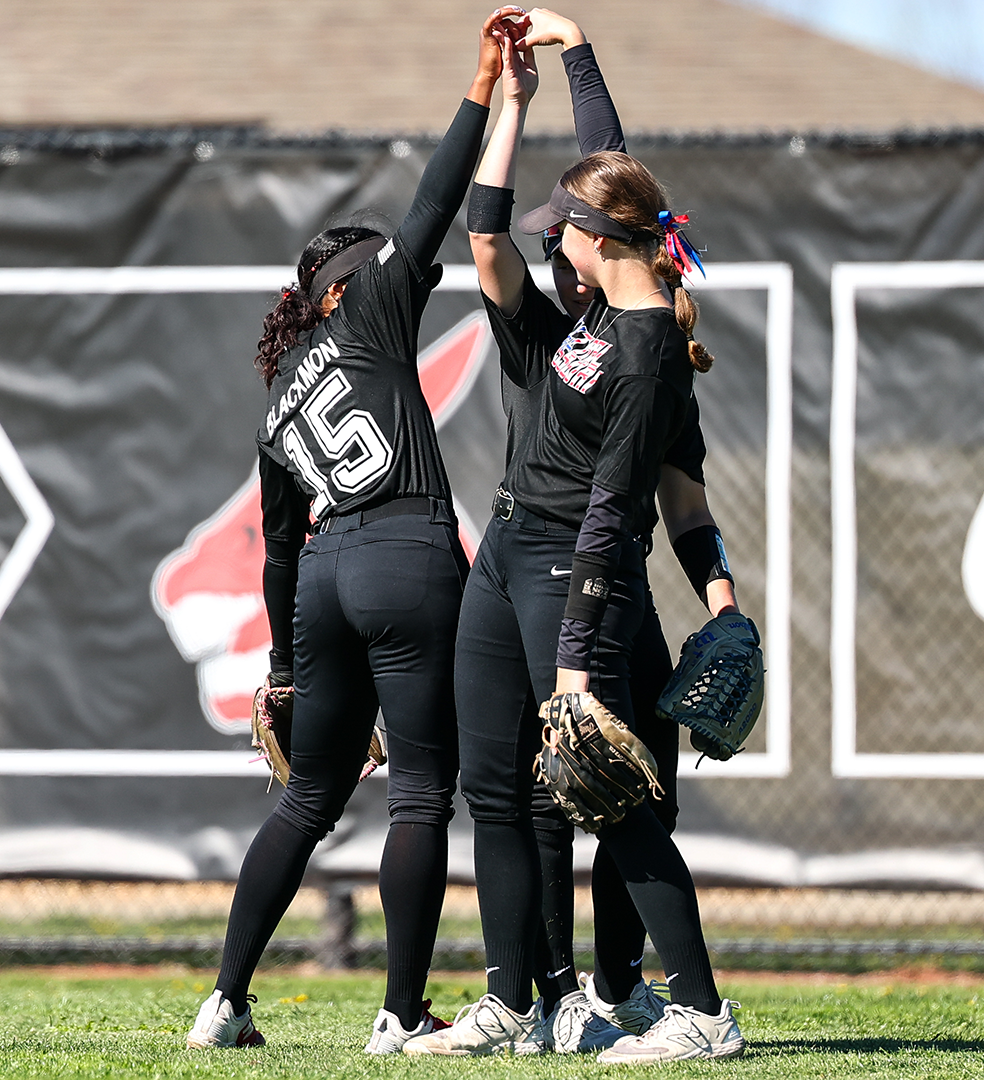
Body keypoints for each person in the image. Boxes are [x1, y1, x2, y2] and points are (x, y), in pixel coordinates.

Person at [185, 7, 523, 1055]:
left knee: (309, 800)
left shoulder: (279, 400)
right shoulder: (371, 307)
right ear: (345, 288)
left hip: (326, 579)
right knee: (423, 789)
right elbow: (435, 205)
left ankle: (225, 1001)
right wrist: (484, 89)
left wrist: (283, 667)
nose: (398, 271)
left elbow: (280, 548)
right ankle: (396, 1013)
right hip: (410, 551)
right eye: (378, 266)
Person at [404, 47, 744, 1061]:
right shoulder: (581, 323)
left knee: (607, 789)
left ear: (601, 243)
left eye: (574, 235)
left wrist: (577, 657)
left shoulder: (645, 354)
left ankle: (700, 1012)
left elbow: (618, 512)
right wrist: (545, 78)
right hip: (504, 554)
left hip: (567, 571)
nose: (561, 247)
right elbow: (536, 204)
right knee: (498, 793)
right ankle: (514, 1002)